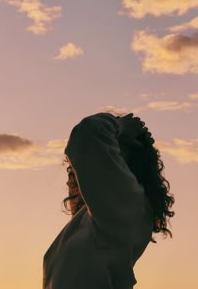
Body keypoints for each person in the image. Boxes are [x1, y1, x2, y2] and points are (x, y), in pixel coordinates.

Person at [43, 112, 175, 289]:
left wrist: (120, 127)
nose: (107, 148)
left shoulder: (129, 202)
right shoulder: (98, 216)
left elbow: (88, 133)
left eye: (114, 144)